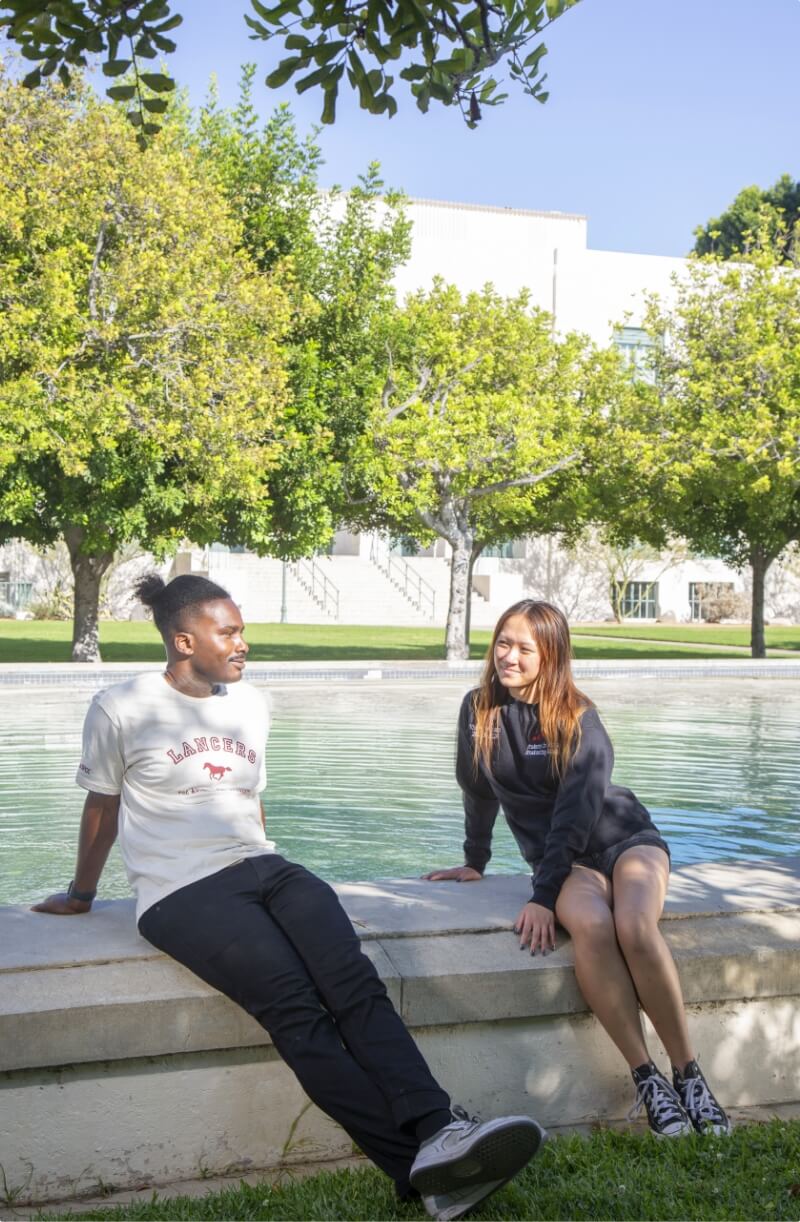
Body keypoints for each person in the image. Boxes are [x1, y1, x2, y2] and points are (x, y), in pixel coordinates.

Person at [32, 574, 545, 1221]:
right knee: (297, 1013)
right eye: (230, 632)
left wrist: (270, 872)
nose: (244, 644)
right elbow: (101, 808)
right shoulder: (121, 706)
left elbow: (250, 801)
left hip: (268, 870)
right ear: (185, 640)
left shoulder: (251, 704)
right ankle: (417, 1169)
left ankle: (439, 1128)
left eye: (243, 630)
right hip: (180, 892)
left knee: (356, 988)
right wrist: (82, 893)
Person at [424, 599, 730, 1140]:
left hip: (623, 839)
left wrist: (542, 894)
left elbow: (576, 813)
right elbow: (475, 788)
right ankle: (647, 1079)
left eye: (524, 648)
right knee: (591, 926)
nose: (509, 657)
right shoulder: (478, 710)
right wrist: (476, 860)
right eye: (502, 643)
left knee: (634, 926)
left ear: (551, 655)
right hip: (564, 862)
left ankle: (689, 1075)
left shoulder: (577, 716)